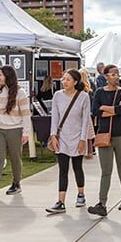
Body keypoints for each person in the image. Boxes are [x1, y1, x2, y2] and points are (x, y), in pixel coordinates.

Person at [89, 64, 121, 216]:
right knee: (106, 171)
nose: (116, 76)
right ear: (105, 76)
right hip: (104, 135)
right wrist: (110, 109)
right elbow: (94, 111)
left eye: (117, 74)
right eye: (113, 74)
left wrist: (104, 108)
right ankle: (102, 203)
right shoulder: (99, 92)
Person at [45, 69, 91, 214]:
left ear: (75, 82)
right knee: (62, 169)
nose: (64, 82)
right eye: (63, 79)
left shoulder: (83, 97)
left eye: (68, 79)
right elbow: (55, 117)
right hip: (62, 137)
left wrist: (83, 139)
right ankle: (61, 202)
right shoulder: (57, 96)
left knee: (77, 167)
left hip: (77, 136)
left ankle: (81, 194)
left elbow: (85, 120)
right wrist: (53, 135)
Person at [0, 65, 32, 197]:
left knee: (15, 158)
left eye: (0, 75)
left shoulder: (20, 92)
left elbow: (26, 114)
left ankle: (16, 183)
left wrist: (26, 132)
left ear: (7, 76)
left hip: (15, 130)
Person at [79, 70, 95, 159]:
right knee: (88, 134)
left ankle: (85, 151)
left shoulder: (81, 91)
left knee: (83, 133)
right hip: (88, 113)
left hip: (82, 114)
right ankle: (90, 151)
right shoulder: (89, 90)